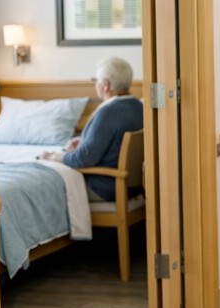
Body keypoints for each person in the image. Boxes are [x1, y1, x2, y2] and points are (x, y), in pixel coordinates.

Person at [40, 56, 144, 201]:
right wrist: (84, 141)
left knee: (49, 188)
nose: (95, 85)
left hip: (105, 187)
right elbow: (114, 143)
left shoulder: (108, 113)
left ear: (105, 85)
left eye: (96, 81)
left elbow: (83, 159)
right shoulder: (139, 107)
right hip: (133, 186)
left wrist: (55, 157)